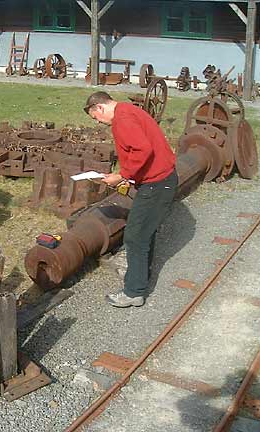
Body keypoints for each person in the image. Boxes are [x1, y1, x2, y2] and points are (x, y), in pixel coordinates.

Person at [83, 91, 177, 307]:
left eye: (95, 117)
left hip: (157, 183)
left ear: (100, 107)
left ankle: (134, 292)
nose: (97, 122)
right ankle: (141, 277)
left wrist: (122, 175)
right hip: (162, 179)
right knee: (144, 232)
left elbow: (142, 149)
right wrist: (128, 174)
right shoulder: (128, 110)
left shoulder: (121, 120)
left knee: (135, 235)